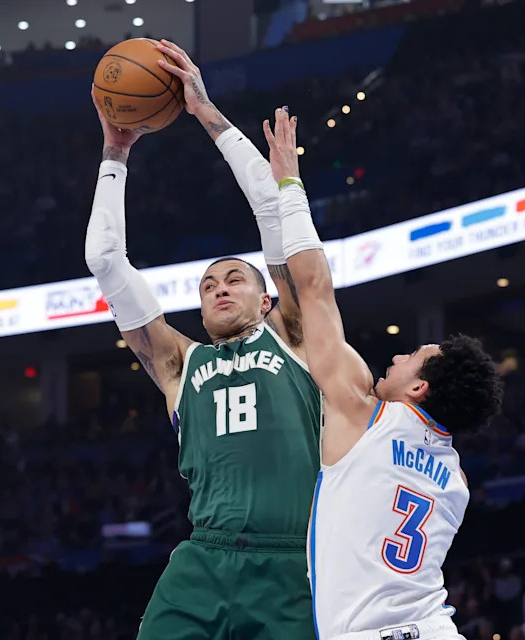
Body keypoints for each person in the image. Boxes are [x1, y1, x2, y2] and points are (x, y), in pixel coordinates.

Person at [85, 40, 320, 639]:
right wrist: (115, 154)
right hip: (203, 561)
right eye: (208, 283)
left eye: (234, 278)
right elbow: (105, 259)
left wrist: (206, 114)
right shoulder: (176, 364)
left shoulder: (293, 336)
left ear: (266, 298)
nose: (218, 287)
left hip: (293, 560)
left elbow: (274, 210)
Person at [263, 106, 503, 640]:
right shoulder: (457, 479)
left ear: (419, 387)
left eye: (409, 357)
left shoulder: (362, 415)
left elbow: (315, 288)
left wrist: (288, 184)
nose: (394, 358)